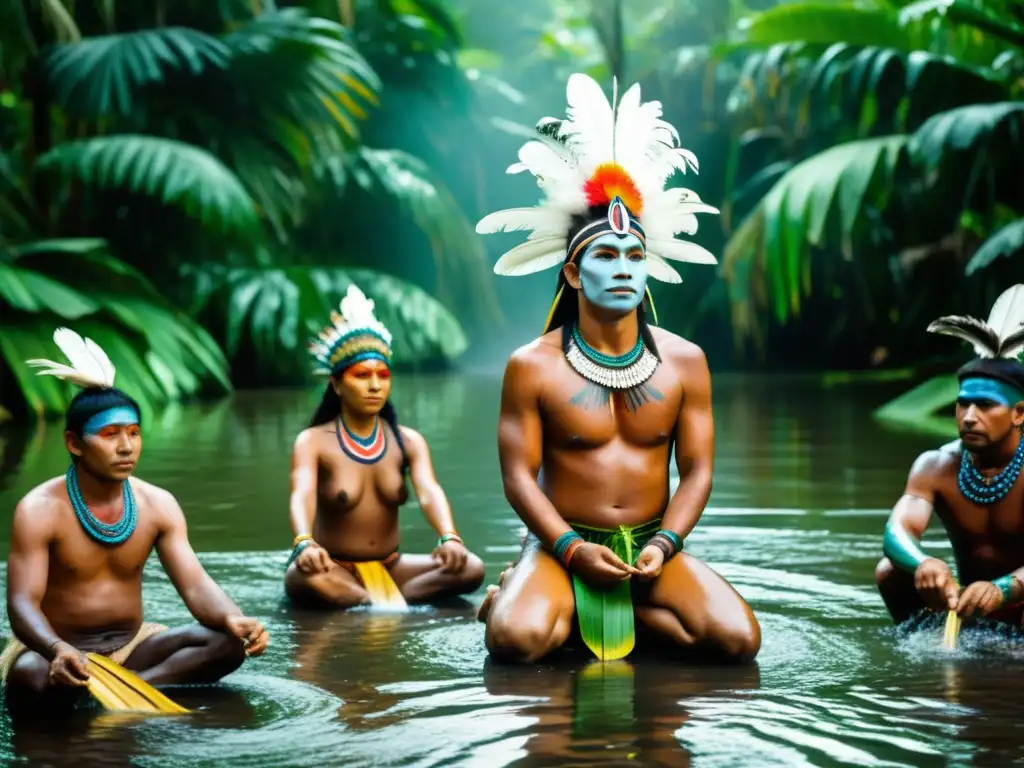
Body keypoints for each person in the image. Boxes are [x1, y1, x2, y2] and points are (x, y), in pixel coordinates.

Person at [473, 72, 761, 663]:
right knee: (518, 642)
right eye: (605, 254)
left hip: (650, 549)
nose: (625, 267)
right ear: (574, 274)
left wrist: (666, 542)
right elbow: (519, 478)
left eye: (636, 255)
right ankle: (534, 596)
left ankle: (597, 616)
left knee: (737, 642)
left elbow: (699, 470)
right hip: (563, 546)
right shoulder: (532, 366)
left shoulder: (685, 361)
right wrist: (570, 549)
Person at [3, 328, 269, 716]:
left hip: (136, 648)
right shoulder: (39, 509)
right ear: (74, 443)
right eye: (110, 435)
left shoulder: (158, 504)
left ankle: (125, 693)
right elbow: (21, 603)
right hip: (56, 651)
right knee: (29, 678)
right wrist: (58, 649)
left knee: (227, 644)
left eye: (134, 433)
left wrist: (234, 617)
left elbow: (195, 585)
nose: (126, 447)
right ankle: (110, 693)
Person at [284, 283, 484, 609]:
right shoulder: (313, 441)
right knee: (299, 577)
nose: (375, 385)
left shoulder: (408, 441)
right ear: (336, 384)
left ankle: (371, 605)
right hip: (332, 568)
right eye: (362, 375)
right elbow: (301, 493)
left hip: (393, 566)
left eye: (383, 375)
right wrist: (304, 543)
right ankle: (389, 606)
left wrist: (450, 537)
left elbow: (429, 491)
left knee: (470, 568)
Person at [877, 285, 1024, 627]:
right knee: (890, 572)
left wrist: (1006, 588)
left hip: (1016, 597)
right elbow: (896, 531)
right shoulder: (937, 466)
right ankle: (916, 649)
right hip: (965, 601)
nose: (969, 416)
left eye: (986, 405)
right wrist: (923, 564)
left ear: (1018, 414)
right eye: (963, 403)